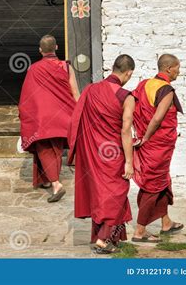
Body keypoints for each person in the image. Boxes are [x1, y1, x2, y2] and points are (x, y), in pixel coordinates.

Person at [68, 55, 136, 254]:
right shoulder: (126, 96)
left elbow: (78, 118)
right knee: (116, 192)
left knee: (102, 194)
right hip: (114, 153)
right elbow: (126, 130)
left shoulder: (90, 90)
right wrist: (129, 162)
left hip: (93, 152)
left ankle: (113, 237)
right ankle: (102, 239)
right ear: (128, 73)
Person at [19, 35, 79, 202]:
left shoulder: (33, 69)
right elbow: (75, 93)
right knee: (56, 150)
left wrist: (26, 115)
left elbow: (26, 98)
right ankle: (47, 180)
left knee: (44, 149)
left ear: (40, 50)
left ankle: (55, 183)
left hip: (42, 118)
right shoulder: (66, 67)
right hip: (61, 117)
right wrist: (80, 113)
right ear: (56, 48)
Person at [131, 54, 184, 243]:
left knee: (161, 180)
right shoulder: (166, 89)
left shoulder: (144, 84)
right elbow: (157, 118)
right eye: (178, 67)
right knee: (153, 185)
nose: (179, 71)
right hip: (156, 144)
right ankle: (140, 231)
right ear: (169, 69)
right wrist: (146, 137)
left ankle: (166, 222)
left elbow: (133, 109)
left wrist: (139, 135)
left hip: (149, 145)